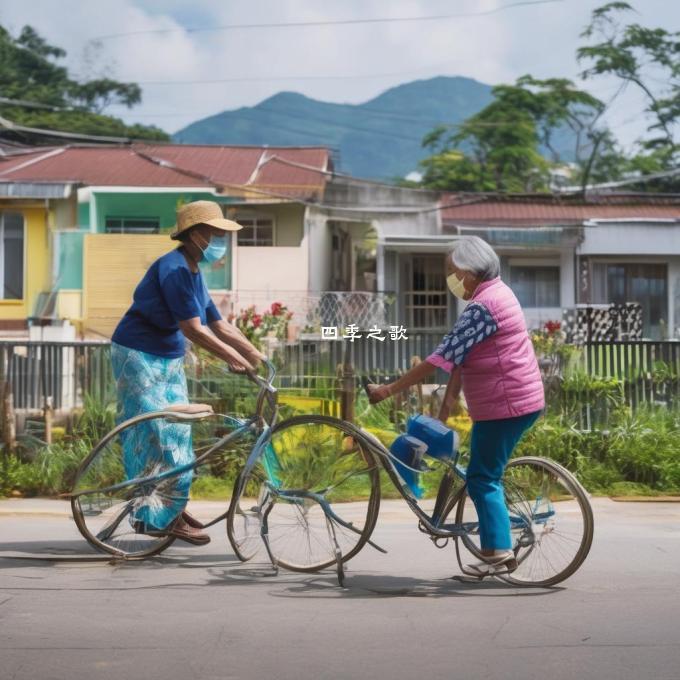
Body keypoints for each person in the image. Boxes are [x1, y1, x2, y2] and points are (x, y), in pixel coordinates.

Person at [366, 235, 545, 574]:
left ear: (469, 271)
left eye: (452, 270)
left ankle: (498, 552)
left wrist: (388, 390)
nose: (450, 278)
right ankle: (495, 542)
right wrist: (445, 409)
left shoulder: (482, 307)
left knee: (482, 478)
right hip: (518, 400)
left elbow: (439, 358)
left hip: (505, 404)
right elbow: (462, 359)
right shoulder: (497, 294)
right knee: (486, 472)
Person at [110, 200, 266, 546]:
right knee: (160, 436)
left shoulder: (193, 271)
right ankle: (157, 515)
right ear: (196, 236)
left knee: (179, 434)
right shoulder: (175, 270)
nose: (219, 241)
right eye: (214, 234)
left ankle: (167, 508)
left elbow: (219, 324)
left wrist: (258, 356)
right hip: (138, 354)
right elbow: (194, 329)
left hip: (167, 357)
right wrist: (233, 359)